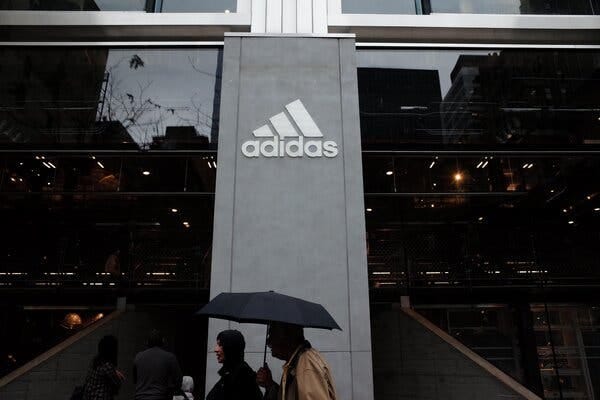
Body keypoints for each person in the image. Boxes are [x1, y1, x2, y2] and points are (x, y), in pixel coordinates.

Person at [256, 323, 337, 400]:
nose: (268, 341)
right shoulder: (295, 363)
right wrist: (269, 385)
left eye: (272, 335)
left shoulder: (306, 365)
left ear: (287, 338)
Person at [206, 329, 263, 400]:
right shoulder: (230, 373)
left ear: (230, 348)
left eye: (220, 345)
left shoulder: (242, 378)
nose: (215, 349)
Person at [133, 330, 183, 400]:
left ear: (147, 342)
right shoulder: (170, 357)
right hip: (160, 396)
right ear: (163, 341)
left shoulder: (138, 356)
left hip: (140, 397)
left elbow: (135, 380)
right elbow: (178, 381)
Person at [82, 335, 125, 400]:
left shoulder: (96, 361)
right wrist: (118, 376)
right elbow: (117, 383)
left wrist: (115, 371)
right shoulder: (107, 365)